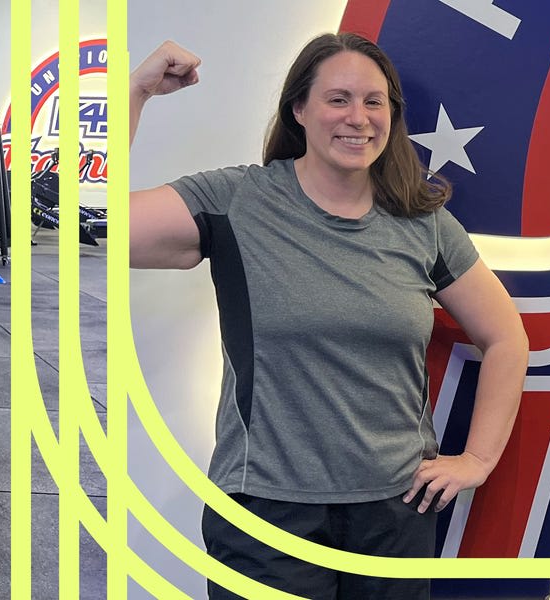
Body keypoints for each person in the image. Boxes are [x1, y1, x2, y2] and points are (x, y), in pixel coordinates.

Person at [129, 35, 529, 599]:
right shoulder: (237, 200)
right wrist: (136, 91)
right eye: (338, 99)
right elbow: (96, 223)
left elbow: (506, 336)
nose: (358, 118)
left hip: (395, 514)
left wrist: (478, 459)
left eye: (373, 101)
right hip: (266, 514)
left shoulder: (424, 224)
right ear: (299, 108)